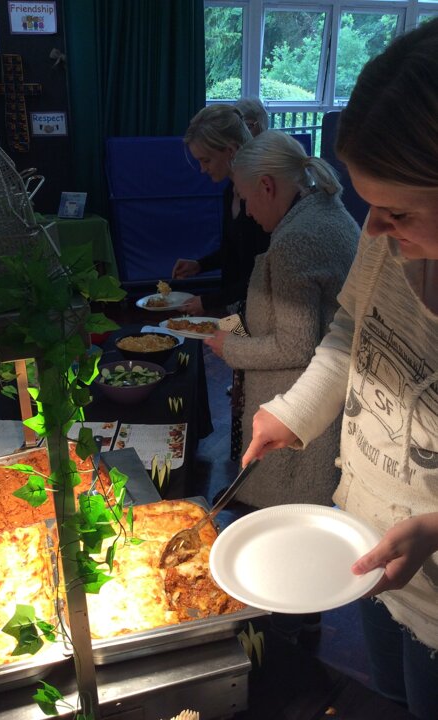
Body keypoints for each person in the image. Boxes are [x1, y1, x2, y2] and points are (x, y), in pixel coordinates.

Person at [241, 19, 438, 720]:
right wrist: (294, 411)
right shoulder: (389, 244)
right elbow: (351, 333)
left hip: (434, 585)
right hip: (363, 538)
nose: (373, 229)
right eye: (369, 205)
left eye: (396, 211)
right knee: (388, 696)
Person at [205, 129, 359, 506]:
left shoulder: (295, 240)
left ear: (267, 186)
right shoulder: (327, 210)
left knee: (284, 509)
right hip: (320, 400)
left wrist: (230, 348)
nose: (247, 212)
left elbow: (295, 347)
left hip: (296, 402)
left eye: (245, 198)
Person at [172, 102, 270, 317]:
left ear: (231, 151)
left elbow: (261, 275)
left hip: (260, 313)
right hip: (235, 307)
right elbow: (234, 251)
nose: (202, 169)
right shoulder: (229, 191)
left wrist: (208, 302)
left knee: (217, 338)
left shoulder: (262, 200)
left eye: (206, 160)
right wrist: (199, 265)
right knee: (209, 338)